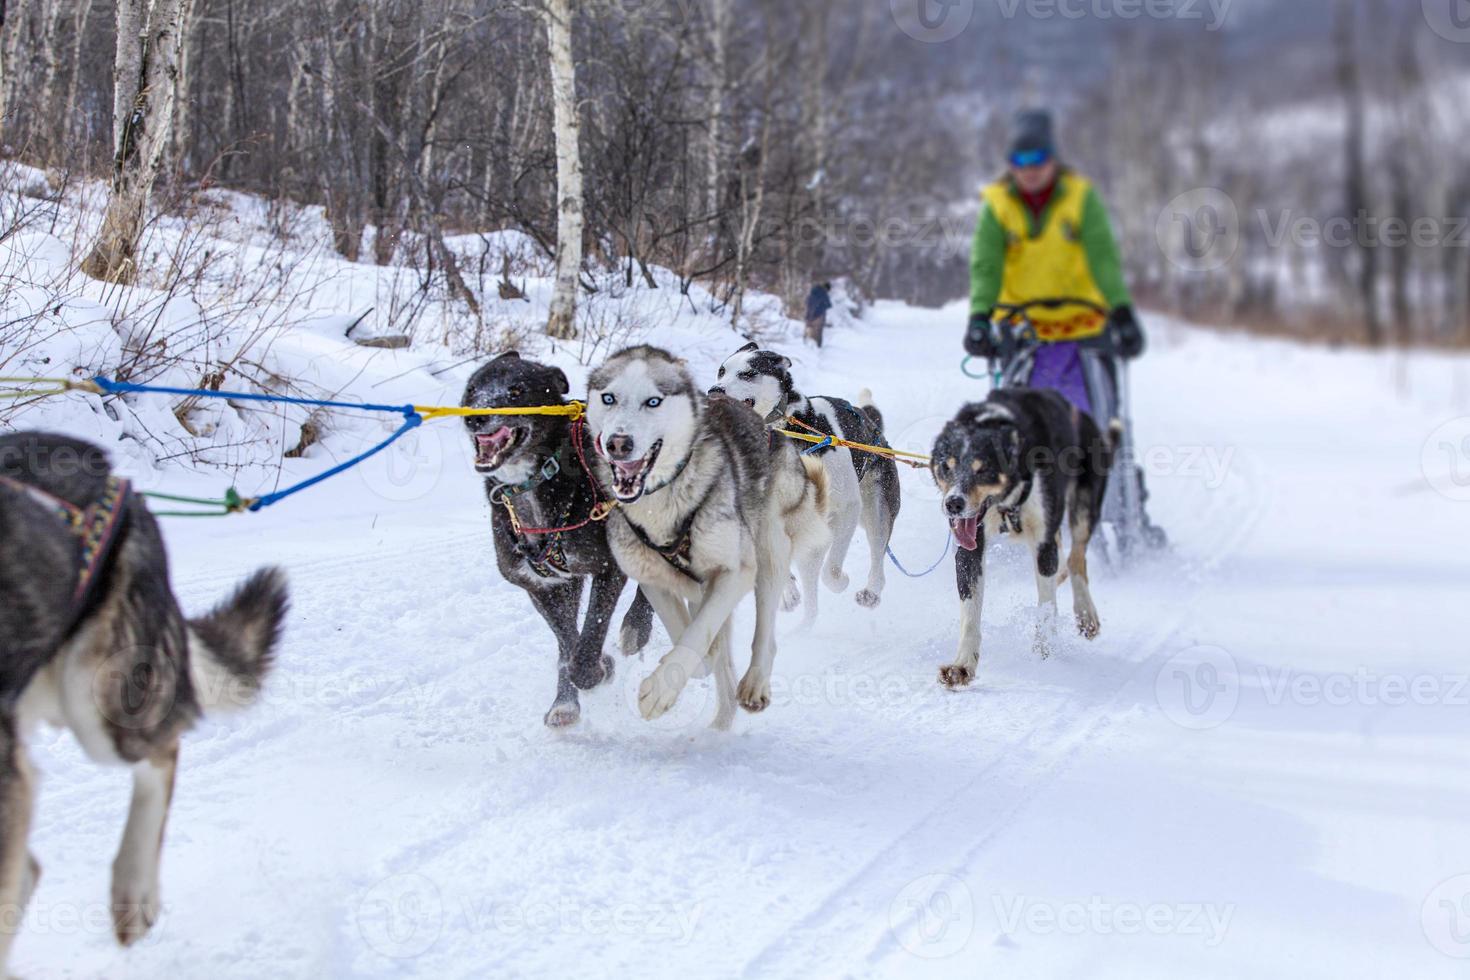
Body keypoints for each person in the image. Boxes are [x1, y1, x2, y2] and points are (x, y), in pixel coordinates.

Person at [965, 109, 1162, 546]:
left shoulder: (1079, 198)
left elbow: (1103, 257)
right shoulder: (997, 205)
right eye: (1021, 161)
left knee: (1096, 427)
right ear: (1011, 164)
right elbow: (986, 264)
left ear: (1052, 159)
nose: (1030, 170)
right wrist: (980, 316)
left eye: (1038, 159)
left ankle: (1125, 512)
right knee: (1018, 430)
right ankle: (1016, 514)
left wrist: (1122, 310)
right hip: (1025, 339)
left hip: (1085, 336)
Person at [805, 281, 833, 347]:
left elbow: (807, 302)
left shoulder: (813, 291)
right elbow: (829, 305)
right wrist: (822, 307)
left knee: (809, 329)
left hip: (810, 314)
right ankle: (817, 346)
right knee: (818, 332)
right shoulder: (823, 294)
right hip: (819, 315)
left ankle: (808, 345)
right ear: (827, 288)